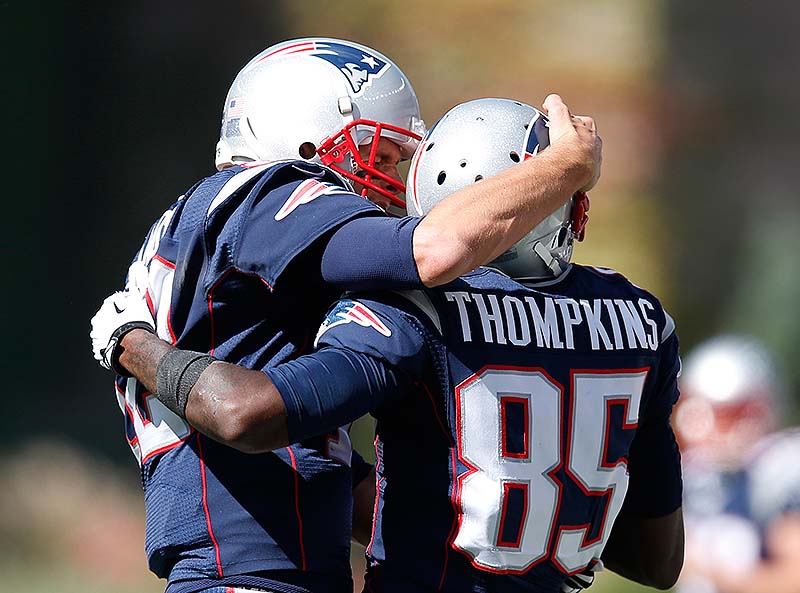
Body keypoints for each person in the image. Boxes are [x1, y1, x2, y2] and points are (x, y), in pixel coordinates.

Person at [93, 98, 680, 592]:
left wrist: (129, 341)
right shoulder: (642, 320)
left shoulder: (412, 304)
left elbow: (250, 412)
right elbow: (658, 560)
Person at [672, 334, 800, 593]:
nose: (699, 426)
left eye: (721, 413)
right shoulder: (698, 476)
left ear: (757, 410)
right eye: (692, 408)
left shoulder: (778, 471)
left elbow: (792, 580)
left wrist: (698, 564)